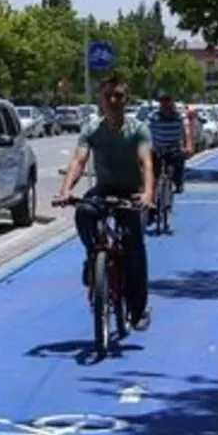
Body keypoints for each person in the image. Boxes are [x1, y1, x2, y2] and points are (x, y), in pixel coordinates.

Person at [53, 72, 155, 330]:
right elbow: (78, 161)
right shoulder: (91, 129)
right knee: (85, 212)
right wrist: (65, 190)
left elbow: (146, 163)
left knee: (133, 248)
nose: (113, 100)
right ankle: (93, 256)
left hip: (131, 194)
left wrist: (147, 194)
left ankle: (137, 310)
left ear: (126, 98)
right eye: (108, 96)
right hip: (104, 188)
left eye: (118, 96)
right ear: (100, 99)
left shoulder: (138, 130)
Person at [146, 89, 191, 198]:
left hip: (174, 149)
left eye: (167, 101)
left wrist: (188, 146)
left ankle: (178, 182)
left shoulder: (179, 116)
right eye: (162, 101)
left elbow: (186, 131)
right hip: (158, 148)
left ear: (171, 102)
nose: (164, 104)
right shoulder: (153, 116)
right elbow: (145, 130)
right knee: (151, 170)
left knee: (179, 160)